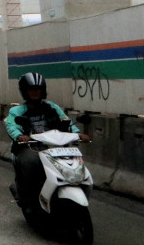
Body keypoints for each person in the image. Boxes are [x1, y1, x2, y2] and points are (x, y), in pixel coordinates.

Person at [5, 71, 87, 208]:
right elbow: (11, 125)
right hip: (31, 148)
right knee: (30, 162)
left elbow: (66, 122)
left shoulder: (52, 107)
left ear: (43, 90)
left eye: (38, 89)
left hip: (55, 147)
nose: (35, 92)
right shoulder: (17, 111)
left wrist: (78, 133)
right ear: (25, 91)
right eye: (31, 89)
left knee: (75, 162)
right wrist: (20, 136)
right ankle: (28, 199)